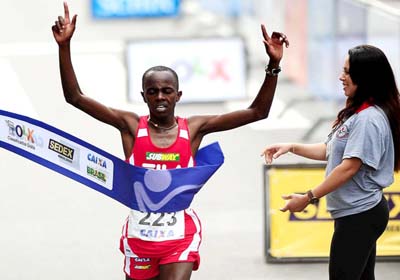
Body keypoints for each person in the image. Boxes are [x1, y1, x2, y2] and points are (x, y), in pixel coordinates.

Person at [52, 2, 289, 280]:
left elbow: (257, 112)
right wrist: (64, 47)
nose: (160, 97)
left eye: (167, 91)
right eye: (153, 91)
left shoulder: (195, 129)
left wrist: (273, 65)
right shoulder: (130, 126)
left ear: (178, 95)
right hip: (140, 239)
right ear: (144, 97)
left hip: (179, 237)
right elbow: (75, 97)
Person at [262, 44, 400, 280]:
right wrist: (292, 147)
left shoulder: (368, 119)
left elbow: (348, 167)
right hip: (357, 214)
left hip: (360, 216)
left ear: (364, 77)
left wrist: (307, 198)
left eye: (347, 72)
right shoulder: (359, 112)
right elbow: (330, 151)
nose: (341, 77)